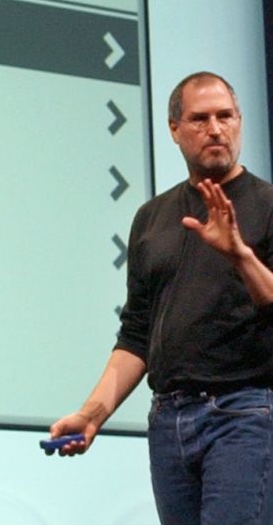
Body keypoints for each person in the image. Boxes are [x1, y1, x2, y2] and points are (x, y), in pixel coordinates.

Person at [50, 72, 273, 525]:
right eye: (200, 118)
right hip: (170, 421)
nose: (216, 129)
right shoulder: (151, 218)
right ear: (174, 128)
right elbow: (137, 335)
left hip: (244, 413)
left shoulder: (267, 204)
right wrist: (92, 415)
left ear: (239, 121)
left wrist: (240, 254)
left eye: (226, 116)